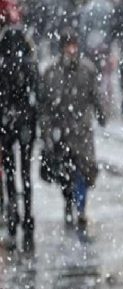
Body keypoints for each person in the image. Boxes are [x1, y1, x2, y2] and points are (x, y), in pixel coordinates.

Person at [39, 29, 106, 236]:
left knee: (84, 171)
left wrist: (101, 113)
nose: (71, 50)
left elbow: (95, 95)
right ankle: (69, 203)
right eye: (68, 46)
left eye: (74, 45)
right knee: (65, 173)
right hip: (61, 131)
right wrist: (46, 131)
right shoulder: (51, 72)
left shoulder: (87, 70)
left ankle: (81, 208)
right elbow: (45, 105)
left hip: (82, 130)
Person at [0, 2, 37, 251]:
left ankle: (14, 216)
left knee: (12, 173)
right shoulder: (25, 42)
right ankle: (27, 218)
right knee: (24, 172)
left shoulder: (5, 45)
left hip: (7, 118)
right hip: (24, 118)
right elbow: (35, 83)